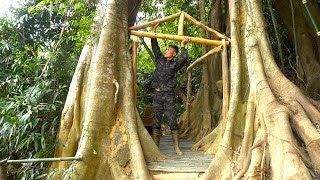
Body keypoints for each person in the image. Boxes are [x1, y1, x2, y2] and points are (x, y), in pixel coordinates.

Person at [150, 23, 190, 155]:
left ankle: (176, 148)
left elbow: (183, 58)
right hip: (157, 95)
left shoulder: (175, 64)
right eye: (166, 49)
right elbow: (155, 46)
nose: (165, 51)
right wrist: (154, 30)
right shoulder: (159, 59)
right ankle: (155, 146)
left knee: (172, 119)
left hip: (168, 95)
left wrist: (183, 45)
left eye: (168, 50)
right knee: (156, 119)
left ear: (173, 54)